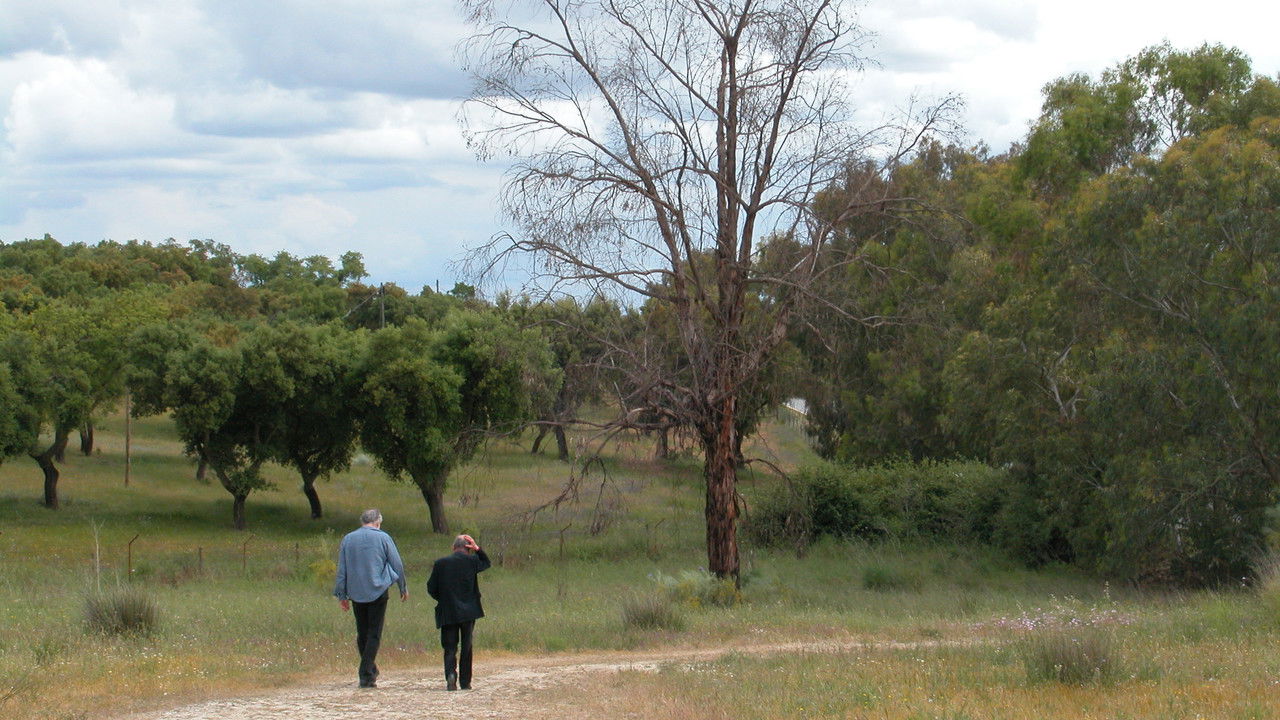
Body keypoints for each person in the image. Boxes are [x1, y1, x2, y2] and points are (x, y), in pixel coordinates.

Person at [333, 508, 408, 689]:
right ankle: (366, 673)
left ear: (362, 521)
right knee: (374, 633)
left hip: (356, 592)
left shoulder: (348, 539)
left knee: (363, 633)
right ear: (377, 522)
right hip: (378, 590)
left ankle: (370, 670)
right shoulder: (383, 537)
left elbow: (342, 569)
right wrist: (402, 586)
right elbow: (396, 563)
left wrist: (341, 594)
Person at [426, 533, 491, 691]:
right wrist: (477, 548)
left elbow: (431, 587)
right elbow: (486, 563)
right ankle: (465, 681)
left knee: (449, 647)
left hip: (448, 610)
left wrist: (443, 599)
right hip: (469, 611)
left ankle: (450, 675)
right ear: (467, 549)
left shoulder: (441, 563)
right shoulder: (472, 561)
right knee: (466, 646)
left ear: (453, 548)